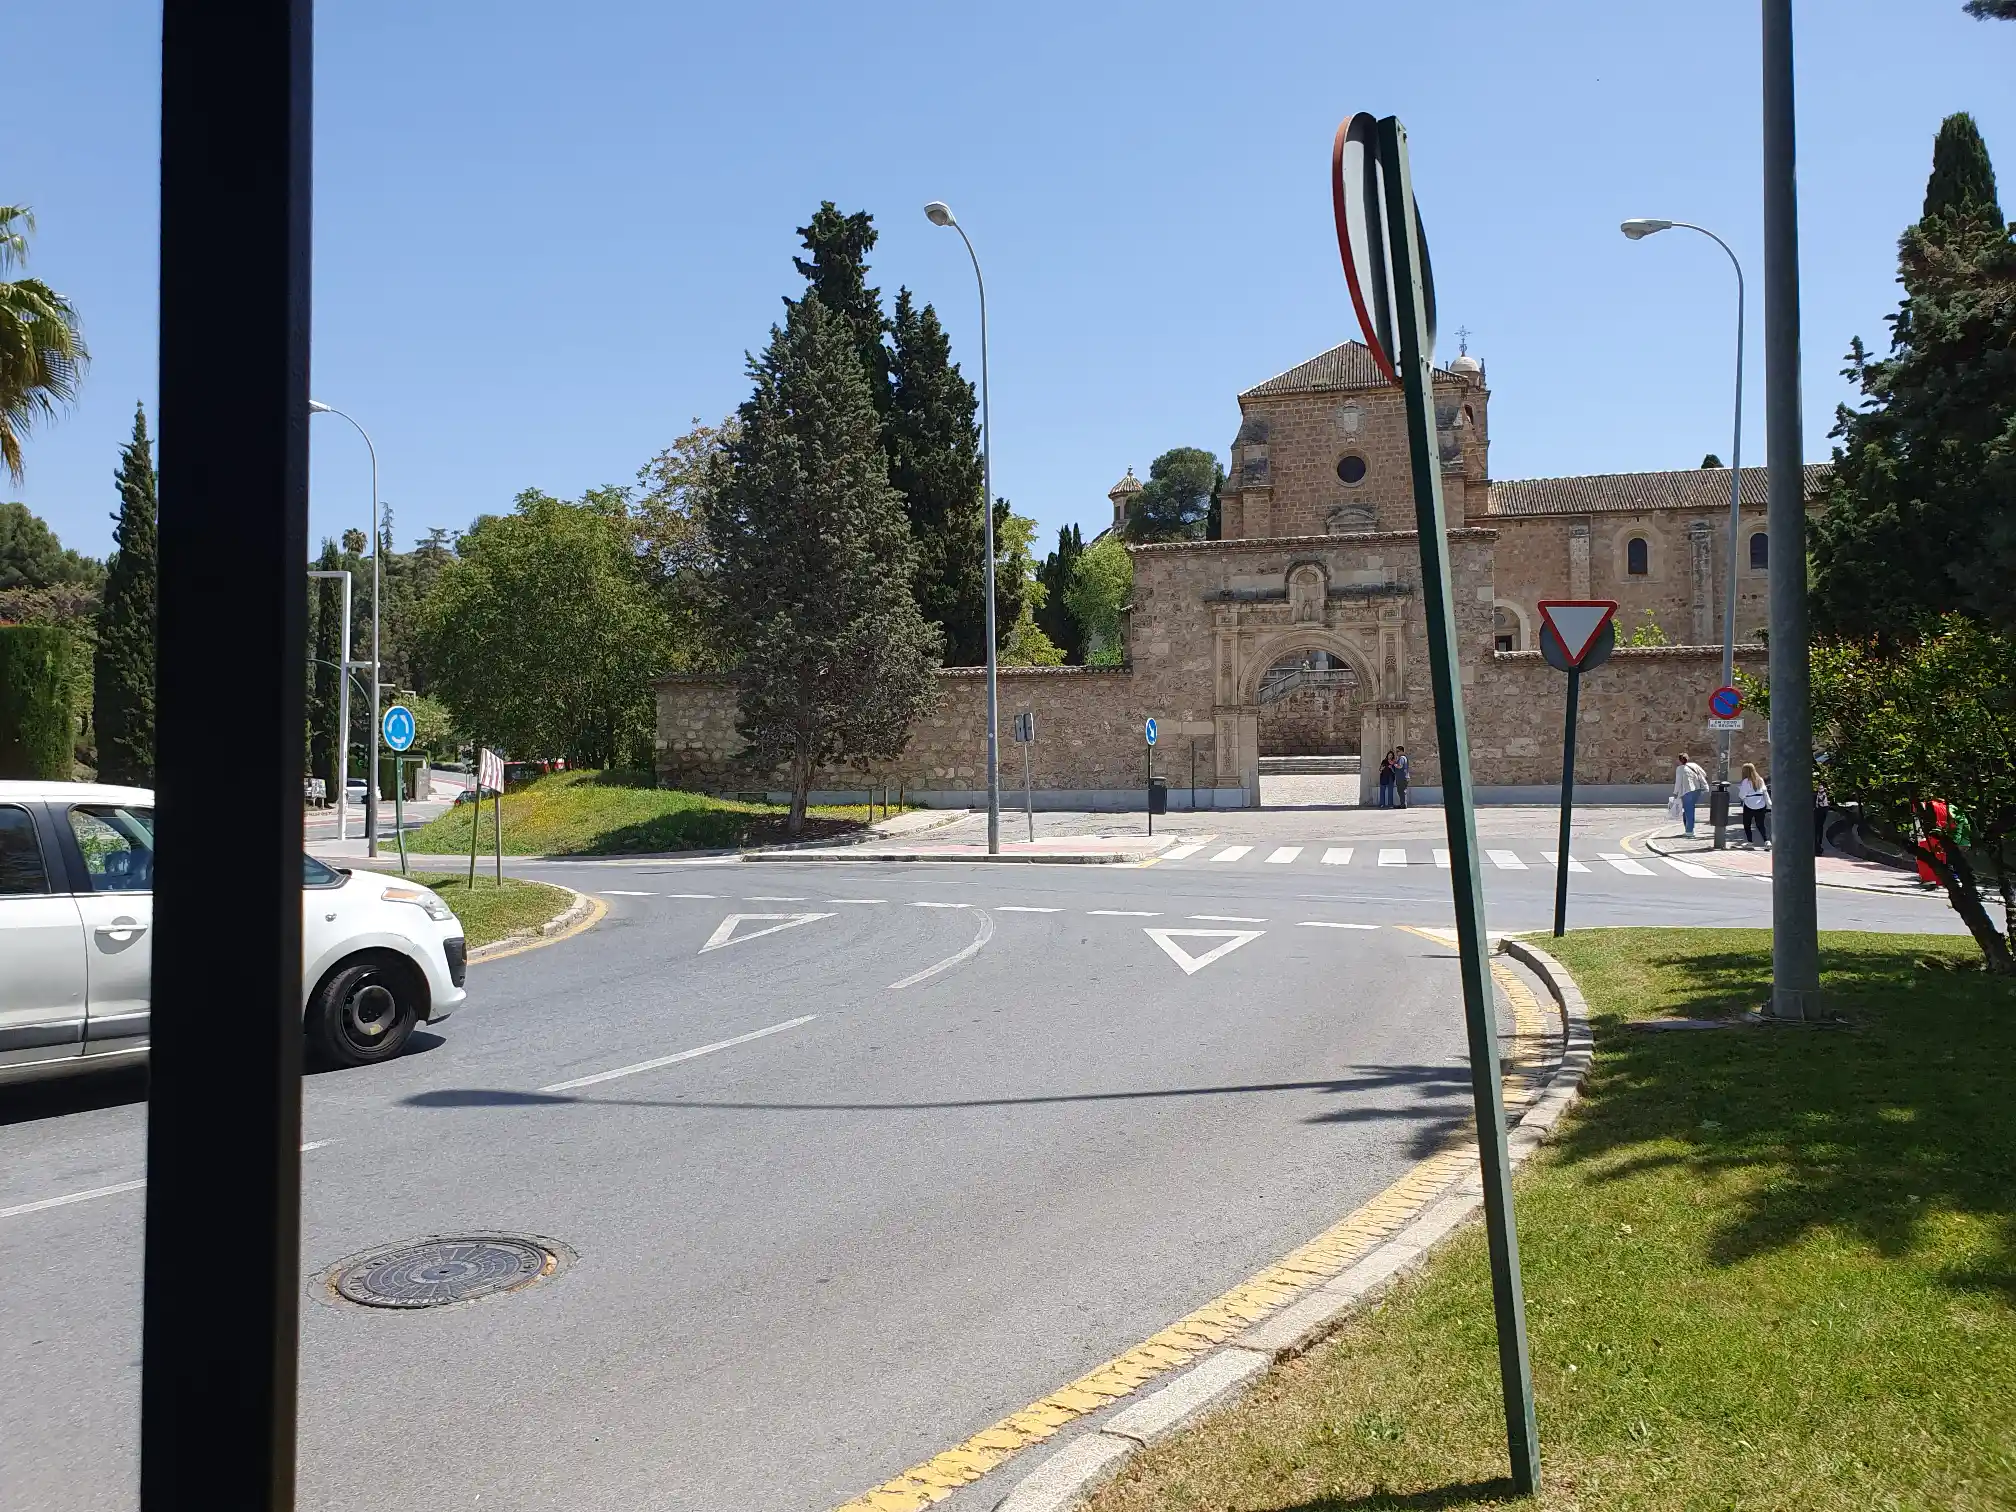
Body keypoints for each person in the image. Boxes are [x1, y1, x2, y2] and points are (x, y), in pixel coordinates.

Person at [1673, 751, 1709, 837]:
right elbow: (1704, 774)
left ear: (1679, 760)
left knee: (1689, 811)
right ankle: (1688, 828)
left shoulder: (1680, 769)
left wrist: (1675, 792)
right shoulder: (1694, 765)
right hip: (1697, 790)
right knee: (1688, 810)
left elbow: (1678, 782)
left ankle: (1689, 831)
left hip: (1687, 791)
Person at [1737, 762, 1771, 846]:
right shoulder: (1760, 779)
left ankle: (1750, 842)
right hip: (1761, 804)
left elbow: (1742, 795)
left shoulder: (1746, 781)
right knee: (1760, 825)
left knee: (1747, 824)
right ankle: (1766, 841)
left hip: (1749, 805)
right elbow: (1764, 791)